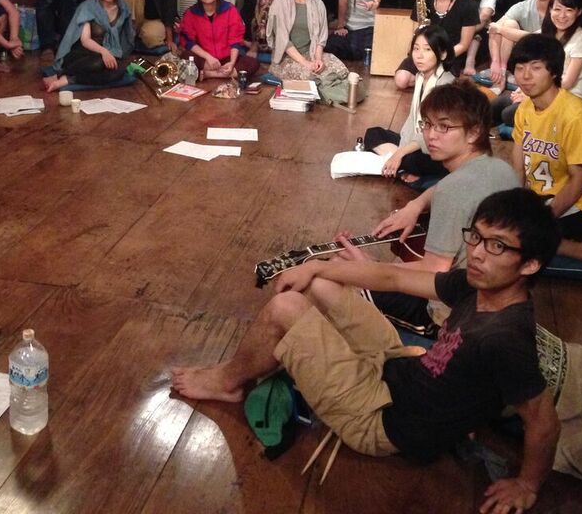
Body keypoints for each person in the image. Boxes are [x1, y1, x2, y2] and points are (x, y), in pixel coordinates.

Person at [172, 187, 561, 514]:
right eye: (475, 236)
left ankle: (227, 382)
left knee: (285, 308)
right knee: (320, 285)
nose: (476, 253)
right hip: (398, 367)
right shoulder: (478, 286)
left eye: (497, 246)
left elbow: (543, 421)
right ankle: (287, 349)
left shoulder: (505, 337)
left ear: (529, 265)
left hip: (381, 421)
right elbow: (393, 276)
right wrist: (314, 267)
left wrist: (527, 484)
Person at [368, 81, 519, 332]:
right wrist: (416, 204)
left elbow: (434, 272)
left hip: (451, 316)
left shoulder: (454, 188)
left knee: (335, 286)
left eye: (444, 127)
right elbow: (444, 186)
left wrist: (371, 269)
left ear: (474, 132)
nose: (431, 135)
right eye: (427, 124)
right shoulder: (500, 167)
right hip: (500, 302)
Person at [510, 35, 582, 265]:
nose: (526, 76)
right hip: (543, 195)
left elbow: (579, 182)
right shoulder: (525, 108)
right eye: (519, 68)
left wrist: (543, 220)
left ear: (554, 72)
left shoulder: (576, 116)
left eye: (536, 68)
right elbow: (519, 160)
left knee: (517, 238)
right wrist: (517, 202)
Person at [492, 0, 582, 127]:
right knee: (495, 106)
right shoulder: (547, 33)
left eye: (569, 10)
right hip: (543, 93)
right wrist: (523, 90)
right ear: (550, 9)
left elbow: (567, 83)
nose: (562, 15)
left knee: (509, 114)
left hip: (569, 99)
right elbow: (526, 38)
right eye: (557, 9)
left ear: (579, 12)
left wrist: (530, 95)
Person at [363, 25, 455, 183]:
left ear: (443, 54)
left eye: (427, 50)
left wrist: (400, 154)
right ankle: (401, 165)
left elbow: (436, 134)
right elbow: (412, 121)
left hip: (437, 150)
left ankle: (401, 165)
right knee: (373, 134)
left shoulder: (446, 86)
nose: (419, 55)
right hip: (416, 143)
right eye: (416, 49)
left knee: (412, 160)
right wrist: (402, 149)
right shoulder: (420, 77)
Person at [42, 0, 134, 92]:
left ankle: (68, 79)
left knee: (119, 71)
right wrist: (104, 52)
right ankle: (61, 74)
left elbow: (126, 35)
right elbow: (85, 40)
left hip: (107, 52)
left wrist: (113, 54)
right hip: (81, 54)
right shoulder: (88, 6)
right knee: (99, 63)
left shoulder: (123, 7)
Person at [394, 0, 478, 89]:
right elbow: (415, 34)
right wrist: (419, 54)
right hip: (423, 54)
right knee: (401, 80)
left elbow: (464, 44)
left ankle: (431, 81)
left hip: (449, 56)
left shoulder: (468, 5)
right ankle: (426, 80)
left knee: (437, 86)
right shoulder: (424, 0)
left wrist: (438, 57)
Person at [266, 0, 349, 84]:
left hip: (310, 54)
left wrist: (318, 59)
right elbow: (283, 41)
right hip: (286, 59)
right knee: (313, 77)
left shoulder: (318, 4)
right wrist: (306, 63)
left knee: (341, 70)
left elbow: (320, 39)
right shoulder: (280, 2)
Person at [486, 0, 565, 92]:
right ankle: (502, 72)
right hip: (520, 57)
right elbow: (493, 29)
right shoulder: (523, 6)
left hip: (547, 58)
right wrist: (495, 62)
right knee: (509, 24)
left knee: (504, 28)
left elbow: (540, 39)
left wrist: (500, 29)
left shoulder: (560, 12)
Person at [179, 0, 258, 81]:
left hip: (227, 59)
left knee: (252, 63)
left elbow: (235, 40)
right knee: (186, 56)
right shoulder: (191, 13)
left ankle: (209, 74)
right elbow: (189, 42)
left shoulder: (230, 9)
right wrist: (208, 57)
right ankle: (228, 74)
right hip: (205, 60)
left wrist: (232, 63)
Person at [460, 0, 498, 75]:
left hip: (479, 38)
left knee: (476, 31)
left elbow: (483, 18)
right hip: (456, 36)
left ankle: (470, 62)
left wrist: (464, 30)